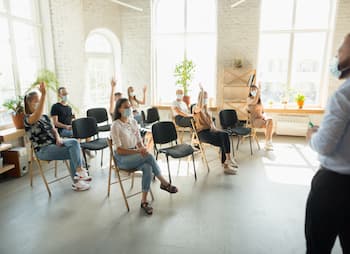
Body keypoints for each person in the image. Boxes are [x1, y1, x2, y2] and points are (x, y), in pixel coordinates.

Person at [305, 33, 350, 254]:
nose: (336, 56)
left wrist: (312, 136)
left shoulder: (343, 94)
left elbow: (325, 145)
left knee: (318, 247)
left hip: (334, 187)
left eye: (340, 51)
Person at [111, 98, 178, 215]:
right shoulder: (116, 125)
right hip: (122, 159)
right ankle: (164, 182)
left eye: (129, 106)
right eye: (126, 107)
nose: (129, 109)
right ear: (119, 109)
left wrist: (142, 148)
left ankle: (144, 201)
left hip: (135, 154)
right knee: (148, 156)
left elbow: (138, 141)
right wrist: (139, 152)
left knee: (148, 166)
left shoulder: (133, 122)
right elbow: (119, 150)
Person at [24, 82, 91, 191]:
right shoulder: (27, 119)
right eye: (36, 101)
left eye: (39, 100)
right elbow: (35, 116)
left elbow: (53, 129)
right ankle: (78, 180)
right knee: (74, 152)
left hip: (55, 143)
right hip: (44, 150)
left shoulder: (44, 117)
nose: (39, 103)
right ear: (29, 103)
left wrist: (58, 138)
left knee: (74, 143)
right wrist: (44, 95)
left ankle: (79, 173)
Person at [193, 88, 238, 175]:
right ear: (200, 98)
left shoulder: (207, 111)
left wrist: (217, 130)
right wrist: (202, 91)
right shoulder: (196, 108)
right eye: (204, 97)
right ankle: (225, 166)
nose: (206, 99)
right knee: (222, 142)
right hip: (202, 134)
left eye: (206, 97)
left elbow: (212, 125)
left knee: (224, 134)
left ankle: (228, 159)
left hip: (210, 131)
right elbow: (199, 107)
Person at [246, 84, 274, 150]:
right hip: (255, 121)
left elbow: (263, 111)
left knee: (270, 120)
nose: (254, 91)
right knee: (269, 126)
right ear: (250, 91)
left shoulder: (259, 100)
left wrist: (264, 116)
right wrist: (258, 92)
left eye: (255, 89)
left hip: (261, 119)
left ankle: (268, 142)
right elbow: (254, 102)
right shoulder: (249, 99)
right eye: (252, 90)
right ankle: (268, 143)